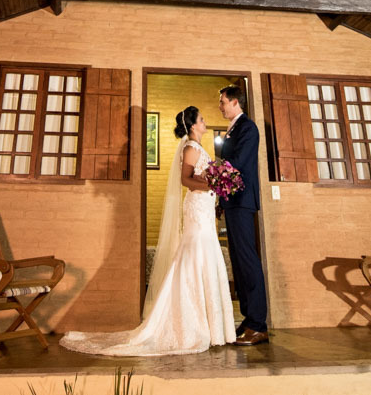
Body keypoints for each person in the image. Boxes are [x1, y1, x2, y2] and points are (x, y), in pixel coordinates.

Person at [59, 107, 236, 356]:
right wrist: (212, 183)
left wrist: (216, 186)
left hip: (205, 207)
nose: (205, 122)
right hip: (197, 209)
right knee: (196, 254)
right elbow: (185, 180)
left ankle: (214, 327)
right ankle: (190, 324)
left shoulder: (197, 148)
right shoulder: (191, 148)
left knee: (204, 253)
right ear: (193, 125)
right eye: (202, 119)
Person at [217, 85, 268, 345]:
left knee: (248, 260)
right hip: (231, 202)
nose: (220, 106)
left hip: (243, 201)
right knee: (237, 261)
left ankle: (259, 324)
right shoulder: (233, 129)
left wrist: (212, 170)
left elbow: (237, 163)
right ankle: (249, 318)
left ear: (235, 102)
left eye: (223, 102)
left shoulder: (249, 128)